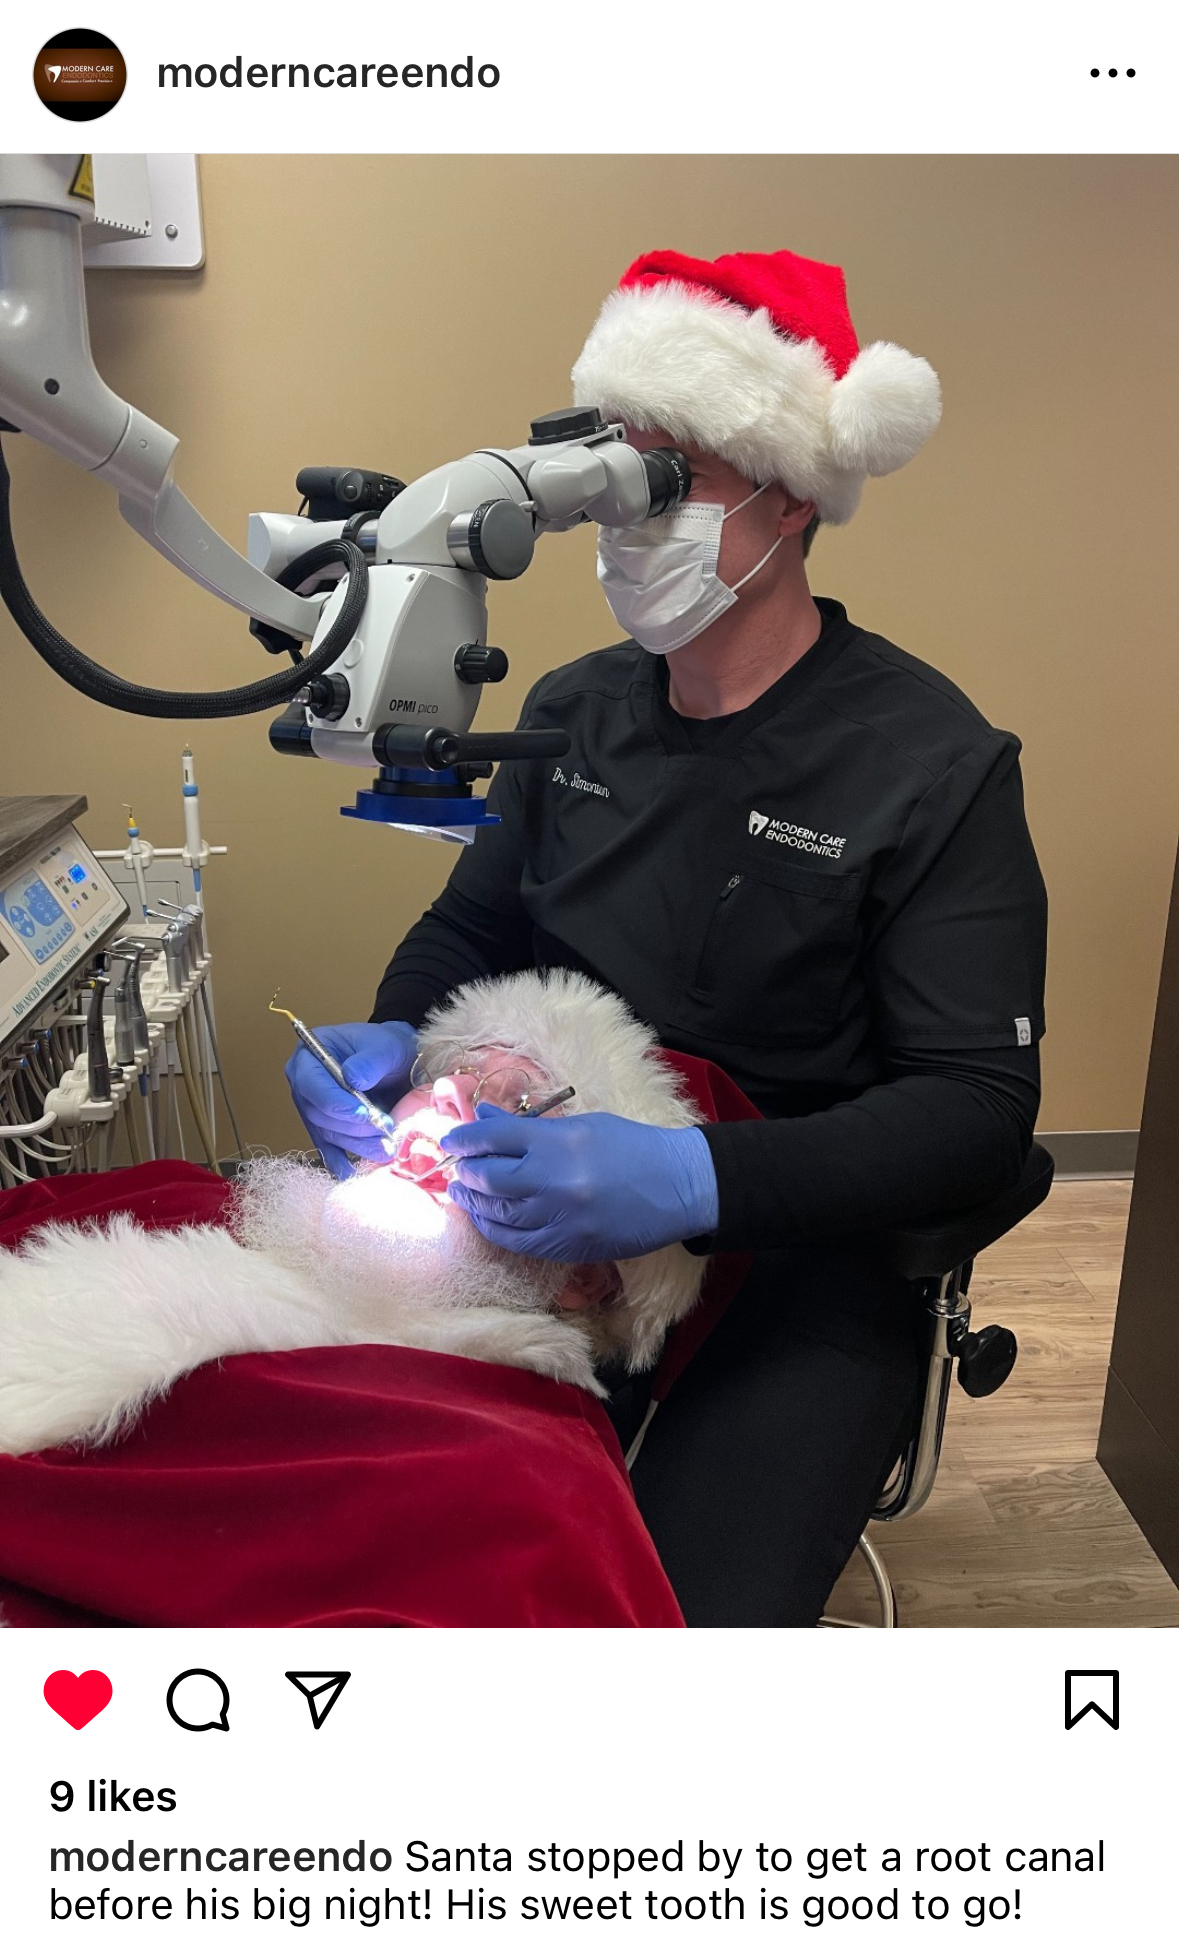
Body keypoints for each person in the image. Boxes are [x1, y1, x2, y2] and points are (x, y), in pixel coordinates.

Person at [288, 247, 1049, 1628]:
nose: (625, 516)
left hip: (797, 1233)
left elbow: (974, 1115)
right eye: (609, 471)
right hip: (538, 1197)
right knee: (367, 1516)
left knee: (665, 1623)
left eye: (671, 476)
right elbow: (470, 921)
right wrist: (393, 1042)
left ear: (791, 493)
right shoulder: (574, 711)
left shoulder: (929, 764)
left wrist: (682, 1180)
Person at [0, 969, 742, 1629]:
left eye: (512, 1100)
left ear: (584, 1271)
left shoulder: (520, 1481)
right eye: (450, 1070)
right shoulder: (176, 1193)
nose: (449, 1091)